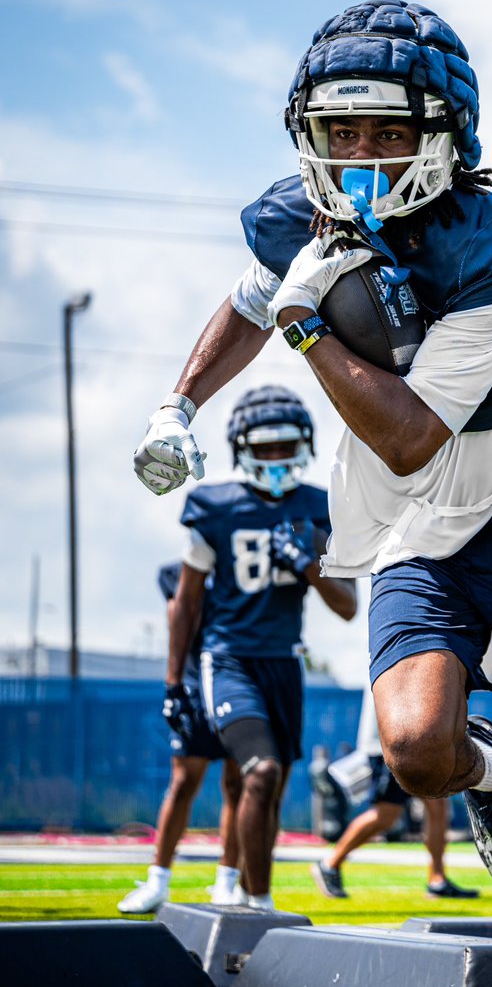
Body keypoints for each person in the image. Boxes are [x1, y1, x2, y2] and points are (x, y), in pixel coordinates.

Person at [133, 0, 492, 987]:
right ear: (305, 132)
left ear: (446, 130)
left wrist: (310, 328)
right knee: (417, 752)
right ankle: (483, 774)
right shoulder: (291, 218)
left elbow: (411, 433)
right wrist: (177, 404)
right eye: (340, 131)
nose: (361, 153)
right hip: (417, 526)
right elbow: (248, 298)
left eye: (389, 130)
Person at [160, 384, 357, 910]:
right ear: (241, 447)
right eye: (264, 447)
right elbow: (185, 603)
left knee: (270, 790)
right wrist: (173, 681)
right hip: (228, 659)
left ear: (305, 445)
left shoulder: (319, 506)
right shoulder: (215, 506)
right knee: (259, 771)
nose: (275, 457)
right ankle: (258, 903)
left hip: (284, 663)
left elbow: (347, 606)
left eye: (284, 446)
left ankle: (247, 897)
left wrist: (309, 565)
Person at [118, 561, 243, 914]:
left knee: (237, 783)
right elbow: (179, 612)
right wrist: (172, 683)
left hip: (236, 681)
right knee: (184, 781)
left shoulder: (242, 569)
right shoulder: (179, 572)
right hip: (194, 685)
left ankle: (226, 882)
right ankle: (157, 880)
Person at [312, 689, 479, 900]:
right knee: (386, 815)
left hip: (418, 742)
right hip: (391, 744)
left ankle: (437, 879)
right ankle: (330, 864)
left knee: (437, 806)